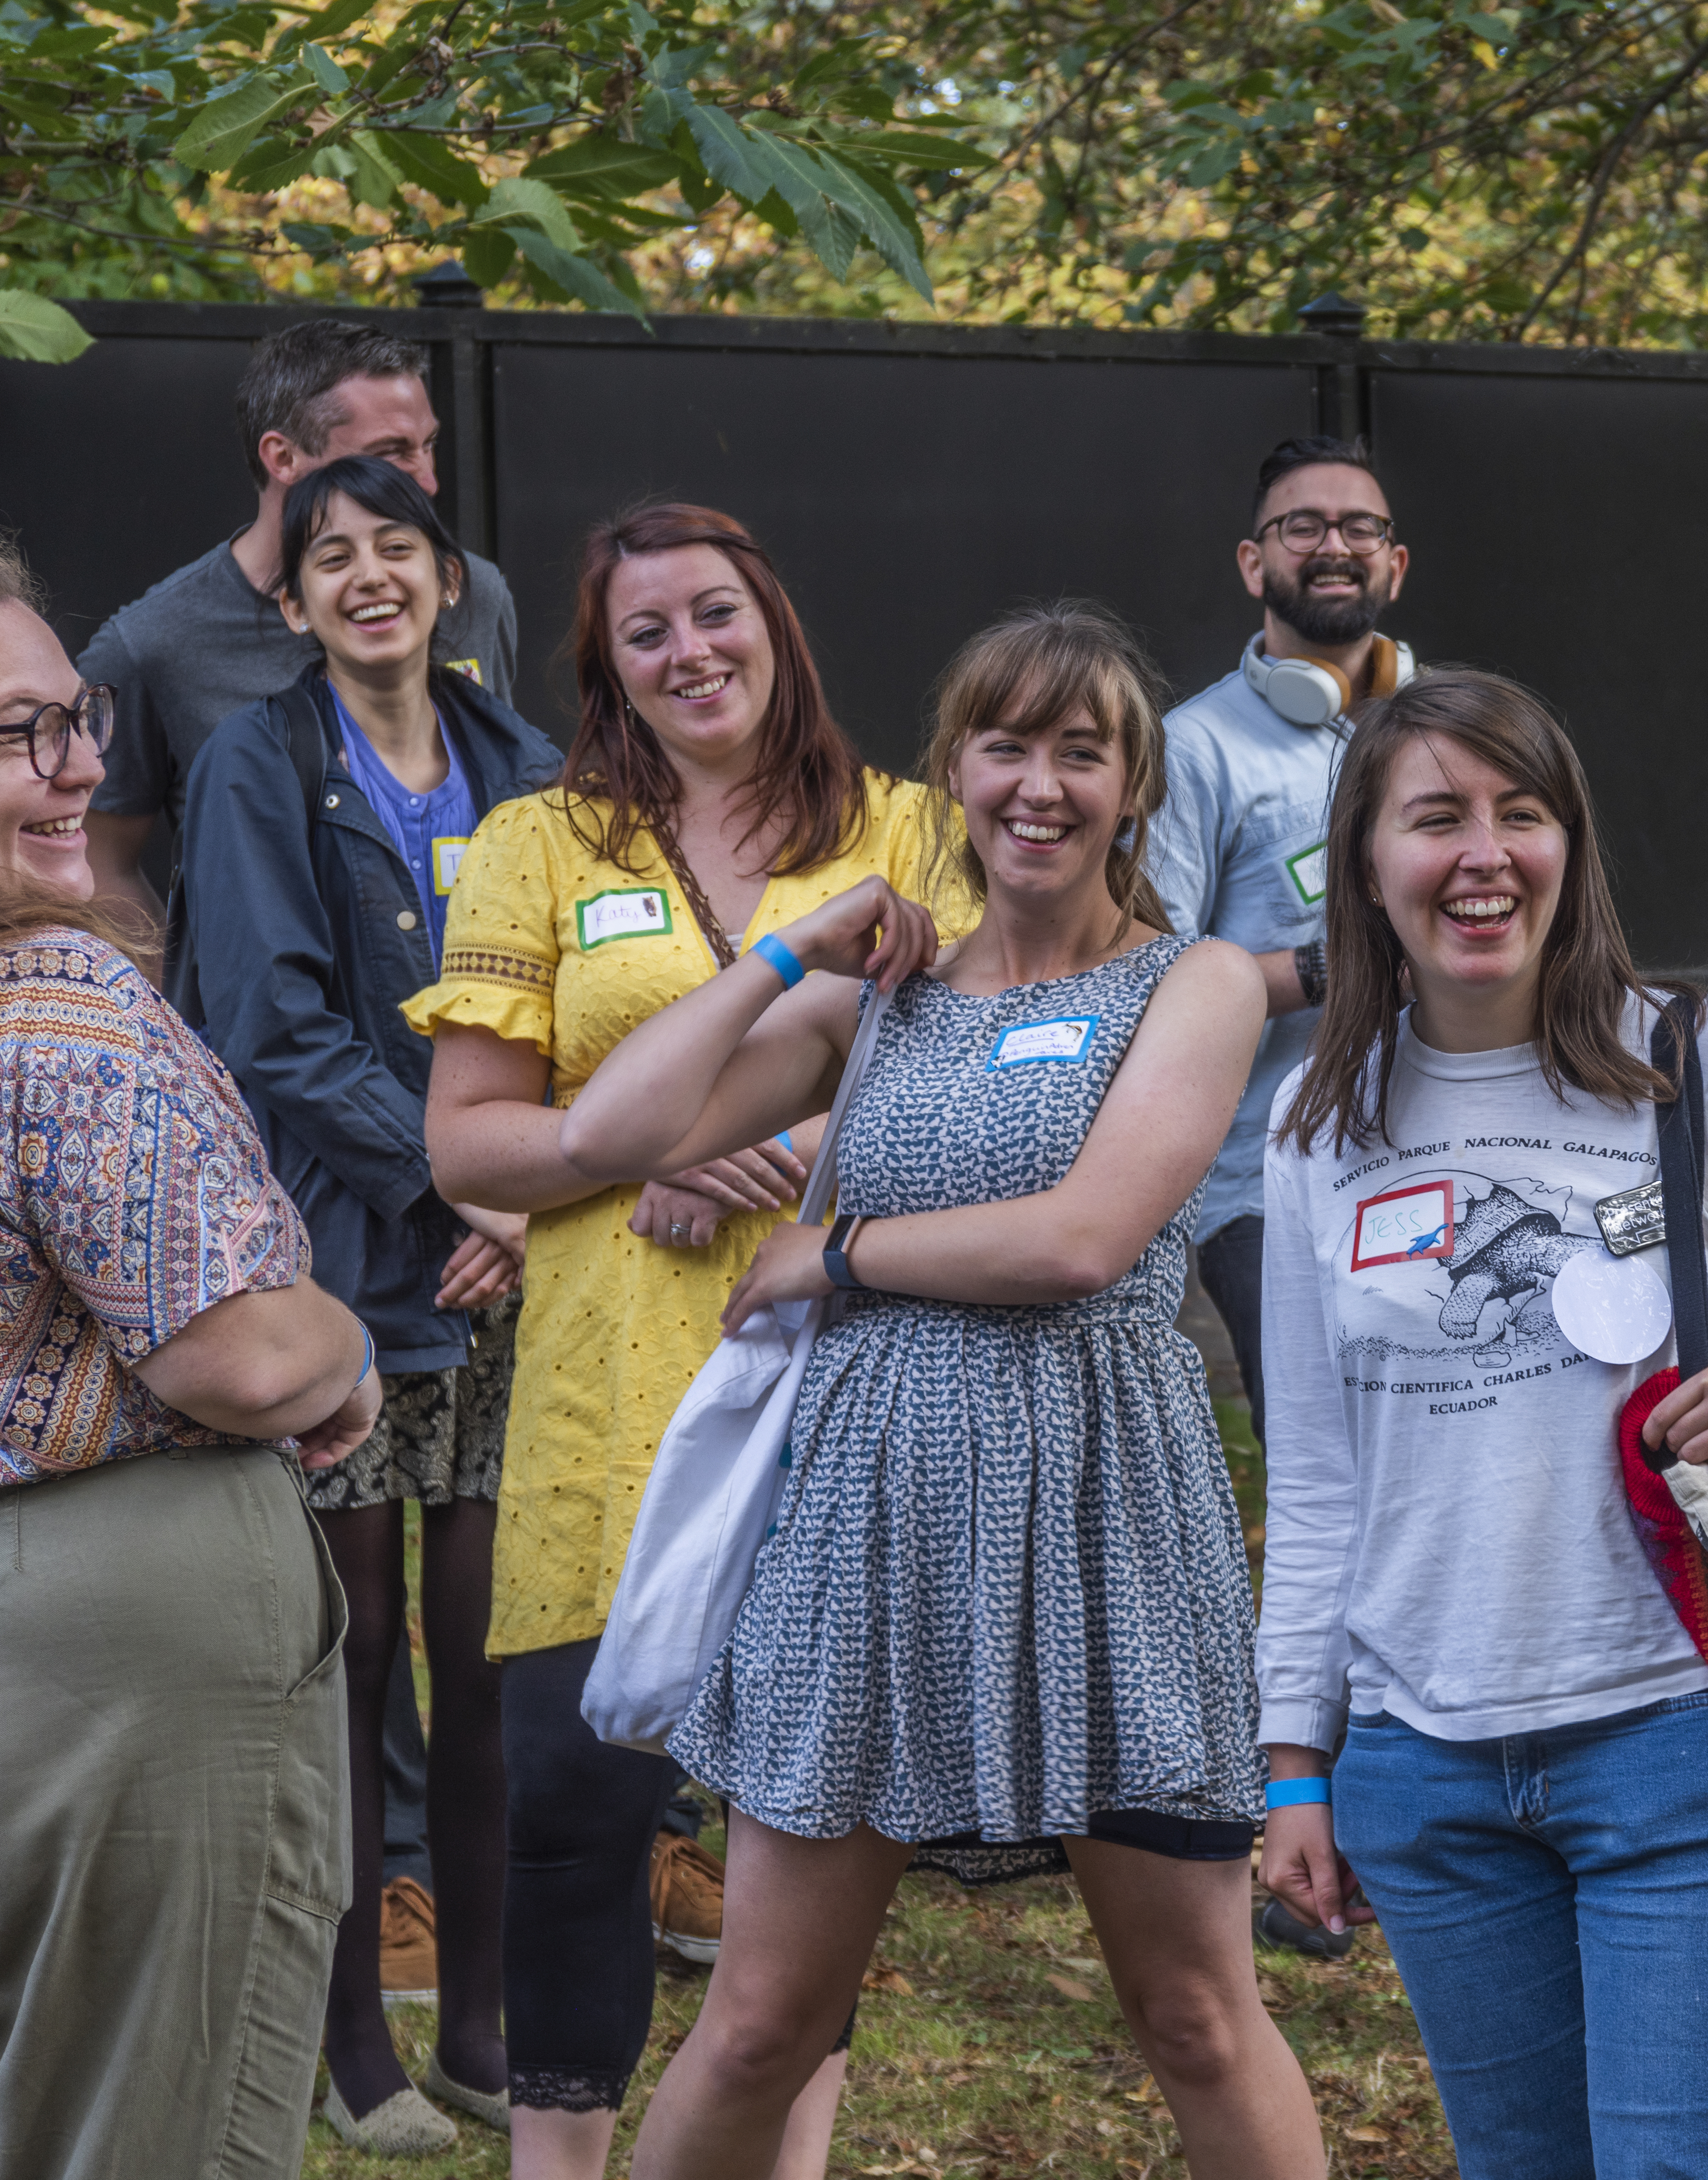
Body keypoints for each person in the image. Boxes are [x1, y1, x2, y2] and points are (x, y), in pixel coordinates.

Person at [552, 601, 1325, 2180]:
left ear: (1135, 785)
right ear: (954, 770)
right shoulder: (874, 995)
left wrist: (833, 1247)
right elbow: (609, 1134)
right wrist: (787, 947)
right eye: (1006, 742)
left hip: (1111, 1517)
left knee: (1192, 2008)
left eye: (1082, 749)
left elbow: (1088, 1237)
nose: (1040, 783)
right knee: (763, 2018)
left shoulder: (1196, 984)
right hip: (869, 1518)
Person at [1255, 668, 1708, 2177]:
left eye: (1523, 811)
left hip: (1680, 1733)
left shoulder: (1703, 1056)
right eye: (1434, 816)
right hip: (1421, 1766)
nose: (1484, 852)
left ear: (1572, 845)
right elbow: (1316, 1481)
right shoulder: (1319, 1122)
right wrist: (1293, 1759)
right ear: (1368, 864)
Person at [0, 526, 383, 2172]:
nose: (73, 768)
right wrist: (349, 1347)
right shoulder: (43, 996)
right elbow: (244, 1360)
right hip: (92, 1681)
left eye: (78, 718)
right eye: (13, 735)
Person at [410, 503, 978, 2178]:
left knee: (797, 1833)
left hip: (841, 1380)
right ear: (608, 673)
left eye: (714, 612)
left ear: (775, 623)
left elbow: (984, 1094)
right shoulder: (540, 841)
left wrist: (787, 1147)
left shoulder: (918, 832)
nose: (688, 651)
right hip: (607, 1399)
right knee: (576, 1820)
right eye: (644, 633)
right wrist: (640, 1140)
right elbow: (469, 1146)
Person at [178, 455, 561, 2151]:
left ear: (449, 573)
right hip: (335, 1268)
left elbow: (577, 1002)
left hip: (499, 1276)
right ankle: (348, 2047)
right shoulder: (256, 762)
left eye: (395, 544)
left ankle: (477, 2023)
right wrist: (444, 1182)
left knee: (485, 1658)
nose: (366, 575)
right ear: (293, 601)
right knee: (349, 1663)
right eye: (330, 556)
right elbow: (269, 1024)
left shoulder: (527, 766)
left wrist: (524, 1202)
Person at [79, 318, 521, 935]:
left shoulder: (471, 592)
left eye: (428, 445)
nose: (427, 481)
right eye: (391, 453)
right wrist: (193, 1008)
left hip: (479, 1004)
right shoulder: (155, 642)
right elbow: (97, 860)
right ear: (283, 456)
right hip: (283, 1019)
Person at [1143, 434, 1412, 1447]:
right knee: (1328, 1473)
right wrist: (1332, 969)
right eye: (1303, 525)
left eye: (1359, 527)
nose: (1333, 544)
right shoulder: (1192, 748)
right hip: (1270, 1190)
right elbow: (1151, 986)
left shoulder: (1436, 732)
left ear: (1395, 563)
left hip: (1437, 1152)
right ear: (1254, 562)